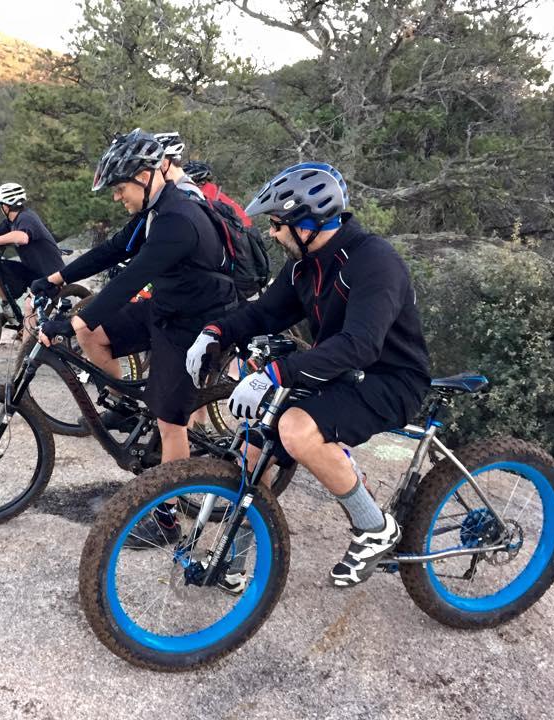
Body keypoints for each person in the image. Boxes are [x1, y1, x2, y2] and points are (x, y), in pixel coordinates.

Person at [185, 162, 432, 587]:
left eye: (279, 224)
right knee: (251, 446)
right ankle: (233, 562)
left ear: (308, 223)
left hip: (391, 378)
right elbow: (265, 312)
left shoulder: (375, 261)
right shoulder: (306, 264)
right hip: (339, 370)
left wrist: (276, 373)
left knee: (296, 430)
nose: (273, 234)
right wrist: (214, 332)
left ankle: (375, 528)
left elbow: (361, 344)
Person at [32, 129, 237, 545]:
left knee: (170, 422)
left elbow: (130, 279)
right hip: (166, 307)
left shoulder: (178, 219)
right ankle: (130, 405)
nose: (116, 196)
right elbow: (111, 250)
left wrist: (70, 322)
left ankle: (167, 518)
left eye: (120, 187)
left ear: (146, 176)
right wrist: (57, 277)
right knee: (95, 334)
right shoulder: (156, 210)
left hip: (194, 324)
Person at [0, 183, 65, 321]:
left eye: (0, 204)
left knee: (30, 307)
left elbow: (22, 237)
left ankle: (28, 338)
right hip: (30, 271)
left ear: (5, 206)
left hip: (49, 274)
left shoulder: (27, 217)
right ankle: (9, 307)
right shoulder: (11, 221)